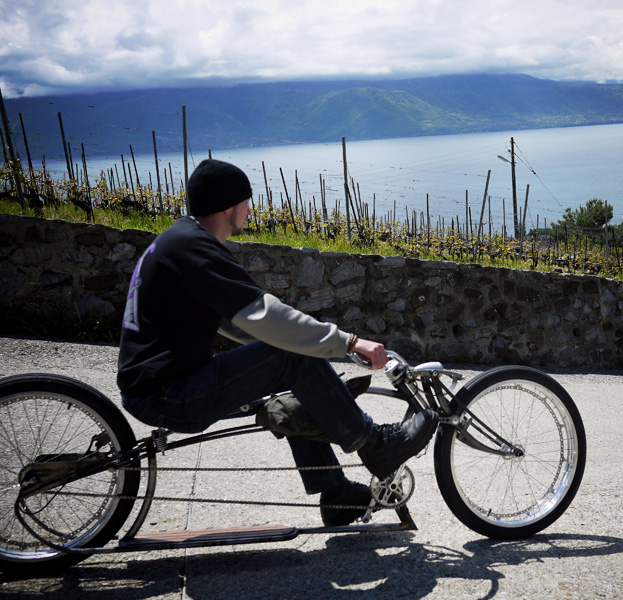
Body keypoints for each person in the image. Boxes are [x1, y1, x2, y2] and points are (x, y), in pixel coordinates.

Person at [117, 158, 438, 527]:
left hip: (161, 385)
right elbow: (264, 317)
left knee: (292, 371)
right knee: (294, 357)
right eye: (247, 201)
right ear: (229, 207)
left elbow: (239, 324)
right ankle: (374, 444)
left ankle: (335, 492)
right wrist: (349, 342)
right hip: (169, 394)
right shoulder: (195, 249)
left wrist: (303, 340)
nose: (250, 209)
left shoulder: (182, 240)